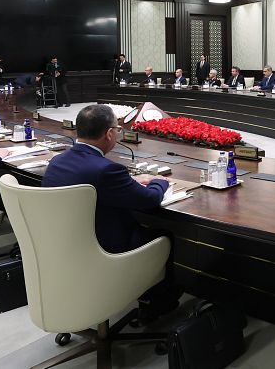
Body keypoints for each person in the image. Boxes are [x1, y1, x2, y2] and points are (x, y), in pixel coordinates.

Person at [42, 104, 180, 319]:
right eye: (117, 129)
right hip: (105, 249)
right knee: (163, 235)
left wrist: (129, 181)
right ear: (109, 134)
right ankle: (156, 303)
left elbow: (95, 182)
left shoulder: (57, 161)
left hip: (64, 247)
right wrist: (159, 181)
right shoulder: (107, 170)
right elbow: (150, 200)